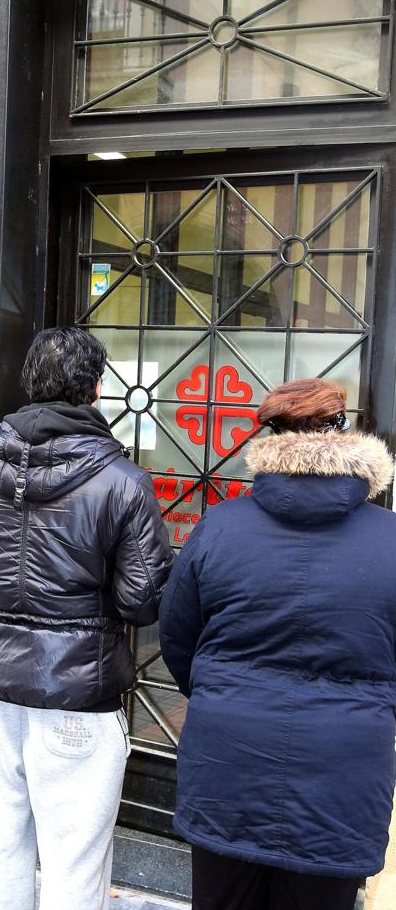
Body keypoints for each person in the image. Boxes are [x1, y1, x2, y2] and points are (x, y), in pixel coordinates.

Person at [0, 326, 173, 910]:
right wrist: (86, 614)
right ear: (97, 389)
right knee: (76, 860)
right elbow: (142, 600)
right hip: (78, 694)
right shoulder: (124, 482)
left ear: (28, 384)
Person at [159, 377, 396, 910]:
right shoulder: (392, 539)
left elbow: (177, 638)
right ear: (344, 432)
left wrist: (224, 691)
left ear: (267, 439)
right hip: (343, 772)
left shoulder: (219, 527)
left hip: (228, 762)